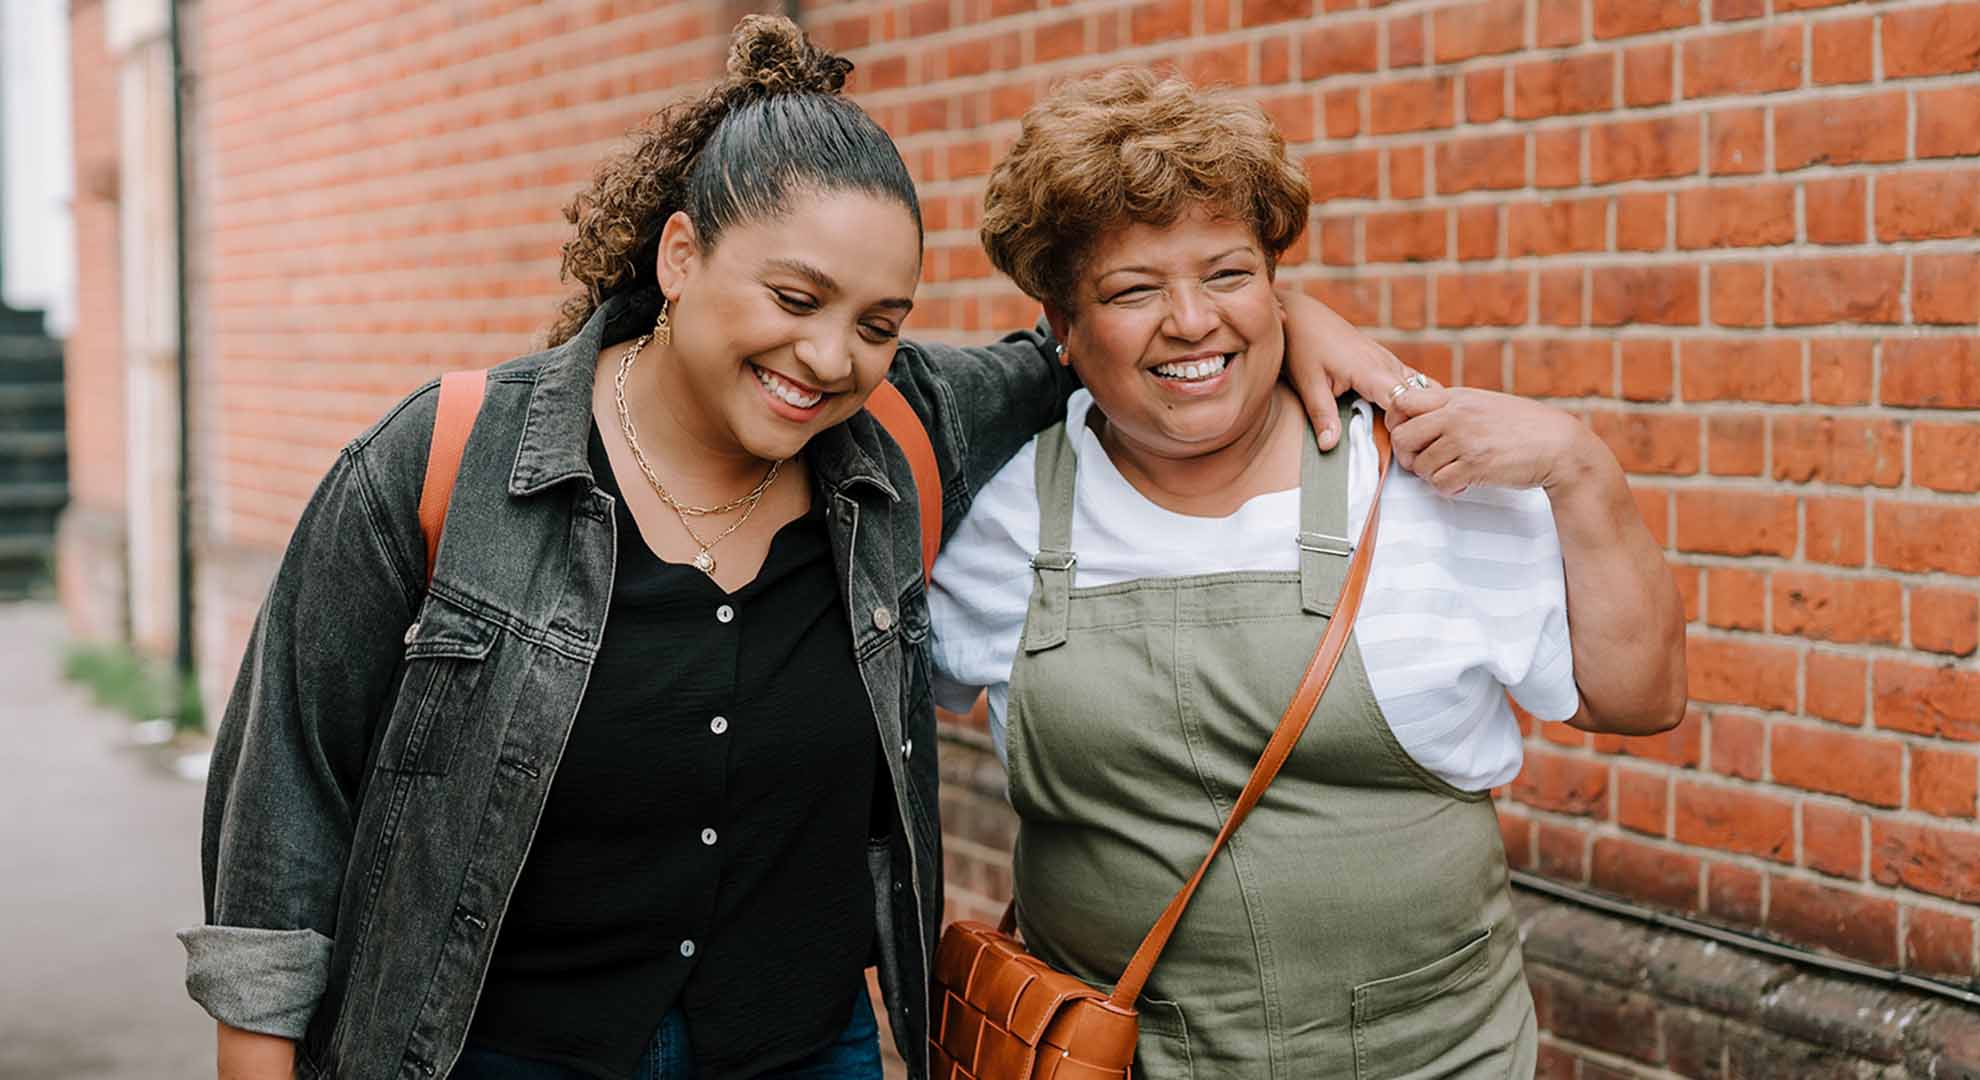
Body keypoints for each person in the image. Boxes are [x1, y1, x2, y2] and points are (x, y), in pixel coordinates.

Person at [179, 19, 1409, 1080]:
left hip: (806, 1049)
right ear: (679, 257)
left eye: (880, 323)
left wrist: (1284, 311)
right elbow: (282, 806)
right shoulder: (449, 460)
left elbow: (1090, 344)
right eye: (795, 299)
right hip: (489, 1048)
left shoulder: (901, 436)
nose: (830, 358)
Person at [928, 69, 1687, 1078]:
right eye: (1133, 289)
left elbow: (1639, 698)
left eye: (1229, 274)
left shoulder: (1422, 481)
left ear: (1278, 284)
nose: (1192, 320)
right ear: (1060, 328)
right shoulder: (1000, 512)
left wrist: (1584, 467)